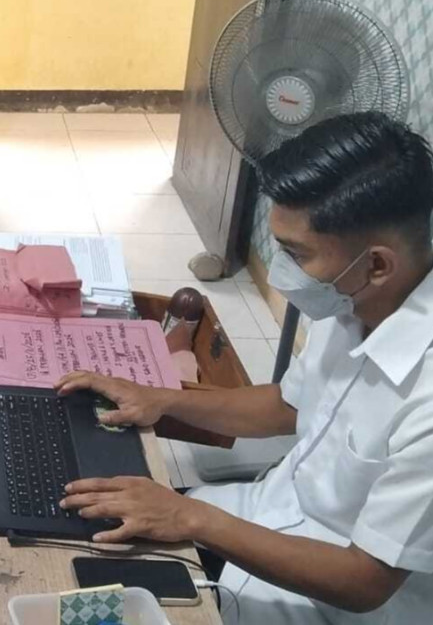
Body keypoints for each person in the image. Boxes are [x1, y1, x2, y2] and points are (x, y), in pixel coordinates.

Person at [56, 112, 433, 624]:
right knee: (68, 539)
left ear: (378, 264)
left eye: (296, 254)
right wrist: (162, 400)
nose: (281, 270)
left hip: (325, 602)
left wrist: (191, 517)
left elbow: (365, 581)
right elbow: (286, 405)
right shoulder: (356, 299)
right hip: (260, 515)